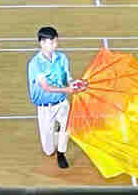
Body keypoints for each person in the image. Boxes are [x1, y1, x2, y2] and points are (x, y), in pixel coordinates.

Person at [28, 26, 87, 169]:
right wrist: (68, 89)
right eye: (52, 42)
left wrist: (74, 83)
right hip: (45, 107)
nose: (55, 45)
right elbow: (46, 87)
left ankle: (61, 153)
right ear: (42, 43)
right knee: (48, 150)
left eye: (56, 42)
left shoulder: (62, 58)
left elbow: (67, 78)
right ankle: (56, 136)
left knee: (67, 127)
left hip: (61, 103)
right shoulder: (35, 64)